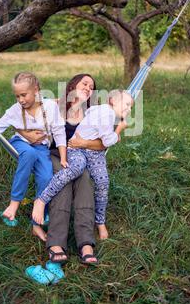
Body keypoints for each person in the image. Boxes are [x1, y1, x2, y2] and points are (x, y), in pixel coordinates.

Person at [0, 71, 67, 242]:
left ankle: (39, 216)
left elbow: (59, 132)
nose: (21, 100)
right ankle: (13, 205)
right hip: (19, 144)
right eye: (17, 96)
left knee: (46, 176)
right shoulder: (14, 110)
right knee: (28, 154)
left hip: (42, 148)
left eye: (24, 95)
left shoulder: (50, 108)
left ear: (36, 89)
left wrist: (63, 157)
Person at [19, 74, 103, 264]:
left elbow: (102, 144)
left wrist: (84, 142)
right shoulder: (55, 105)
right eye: (85, 83)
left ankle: (85, 243)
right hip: (51, 153)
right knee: (63, 183)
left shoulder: (92, 114)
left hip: (78, 157)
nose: (88, 87)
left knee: (85, 180)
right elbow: (24, 112)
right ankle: (56, 242)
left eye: (92, 86)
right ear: (73, 85)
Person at [31, 89, 133, 242]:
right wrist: (119, 130)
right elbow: (107, 141)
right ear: (112, 101)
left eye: (131, 106)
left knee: (102, 181)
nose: (129, 109)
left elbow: (104, 140)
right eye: (126, 104)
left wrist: (113, 134)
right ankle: (42, 199)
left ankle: (100, 221)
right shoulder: (107, 113)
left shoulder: (103, 112)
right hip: (76, 149)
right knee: (77, 168)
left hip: (94, 153)